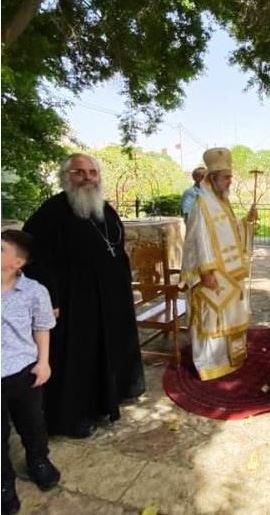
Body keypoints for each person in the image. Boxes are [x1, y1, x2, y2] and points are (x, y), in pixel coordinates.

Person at [23, 154, 145, 439]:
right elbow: (33, 257)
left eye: (92, 172)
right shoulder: (52, 212)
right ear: (66, 176)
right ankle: (70, 417)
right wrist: (50, 299)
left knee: (104, 353)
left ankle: (104, 402)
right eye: (79, 172)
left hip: (110, 299)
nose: (88, 178)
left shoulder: (105, 209)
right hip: (73, 302)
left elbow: (116, 248)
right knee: (76, 359)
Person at [181, 148, 257, 380]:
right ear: (212, 178)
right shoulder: (201, 204)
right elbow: (199, 239)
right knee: (211, 318)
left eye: (230, 177)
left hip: (230, 273)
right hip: (213, 274)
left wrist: (246, 221)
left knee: (229, 315)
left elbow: (231, 231)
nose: (230, 181)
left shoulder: (222, 202)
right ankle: (210, 363)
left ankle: (229, 358)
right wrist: (206, 272)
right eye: (226, 177)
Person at [2, 230, 60, 515]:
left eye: (1, 249)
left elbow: (42, 327)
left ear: (17, 263)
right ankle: (4, 483)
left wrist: (44, 362)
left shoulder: (35, 292)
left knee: (32, 423)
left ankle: (38, 460)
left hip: (23, 370)